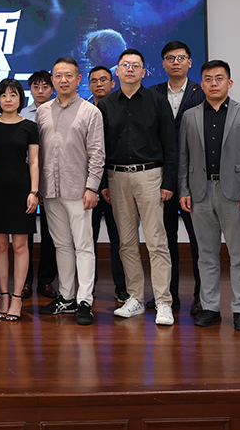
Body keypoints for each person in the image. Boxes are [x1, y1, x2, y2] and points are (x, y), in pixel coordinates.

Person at [179, 60, 240, 332]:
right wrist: (184, 190)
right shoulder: (190, 116)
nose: (213, 83)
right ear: (201, 84)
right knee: (206, 255)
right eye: (208, 79)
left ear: (229, 82)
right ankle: (210, 307)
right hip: (200, 192)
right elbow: (183, 158)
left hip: (234, 193)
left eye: (219, 78)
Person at [97, 49, 177, 327]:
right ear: (117, 71)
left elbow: (170, 144)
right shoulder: (106, 105)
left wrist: (169, 182)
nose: (130, 69)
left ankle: (163, 302)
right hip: (116, 177)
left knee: (157, 241)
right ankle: (135, 298)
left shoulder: (157, 101)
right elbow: (99, 149)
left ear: (144, 72)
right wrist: (103, 183)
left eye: (135, 65)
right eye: (125, 65)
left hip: (150, 175)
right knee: (126, 242)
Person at [36, 57, 105, 326]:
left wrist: (92, 187)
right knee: (61, 245)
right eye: (58, 75)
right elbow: (38, 154)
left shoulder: (90, 112)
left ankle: (84, 300)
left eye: (68, 75)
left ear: (78, 79)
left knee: (83, 246)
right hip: (50, 191)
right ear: (52, 80)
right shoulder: (42, 111)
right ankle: (66, 297)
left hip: (79, 190)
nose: (63, 80)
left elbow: (97, 154)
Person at [149, 42, 205, 315]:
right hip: (161, 178)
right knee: (165, 240)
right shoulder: (152, 93)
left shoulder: (201, 92)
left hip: (194, 179)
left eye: (181, 58)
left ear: (190, 62)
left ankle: (202, 297)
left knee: (199, 242)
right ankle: (167, 295)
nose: (175, 62)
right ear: (163, 63)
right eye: (170, 58)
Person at [0, 78, 39, 322]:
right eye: (4, 95)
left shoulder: (30, 126)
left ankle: (17, 298)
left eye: (13, 95)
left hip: (21, 190)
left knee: (20, 246)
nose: (8, 99)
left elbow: (34, 162)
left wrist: (34, 191)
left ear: (20, 99)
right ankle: (3, 296)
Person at [86, 65, 128, 305]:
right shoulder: (83, 110)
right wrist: (95, 185)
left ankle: (122, 286)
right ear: (88, 85)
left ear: (113, 83)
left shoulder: (122, 109)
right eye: (94, 80)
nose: (99, 84)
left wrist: (108, 183)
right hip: (88, 186)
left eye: (103, 80)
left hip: (116, 184)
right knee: (87, 239)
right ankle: (87, 287)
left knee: (119, 239)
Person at [21, 69, 56, 299]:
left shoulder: (57, 111)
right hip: (25, 176)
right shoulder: (22, 113)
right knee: (25, 231)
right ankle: (24, 281)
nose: (40, 91)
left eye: (45, 86)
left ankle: (45, 280)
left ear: (52, 88)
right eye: (36, 87)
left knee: (50, 233)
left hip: (52, 175)